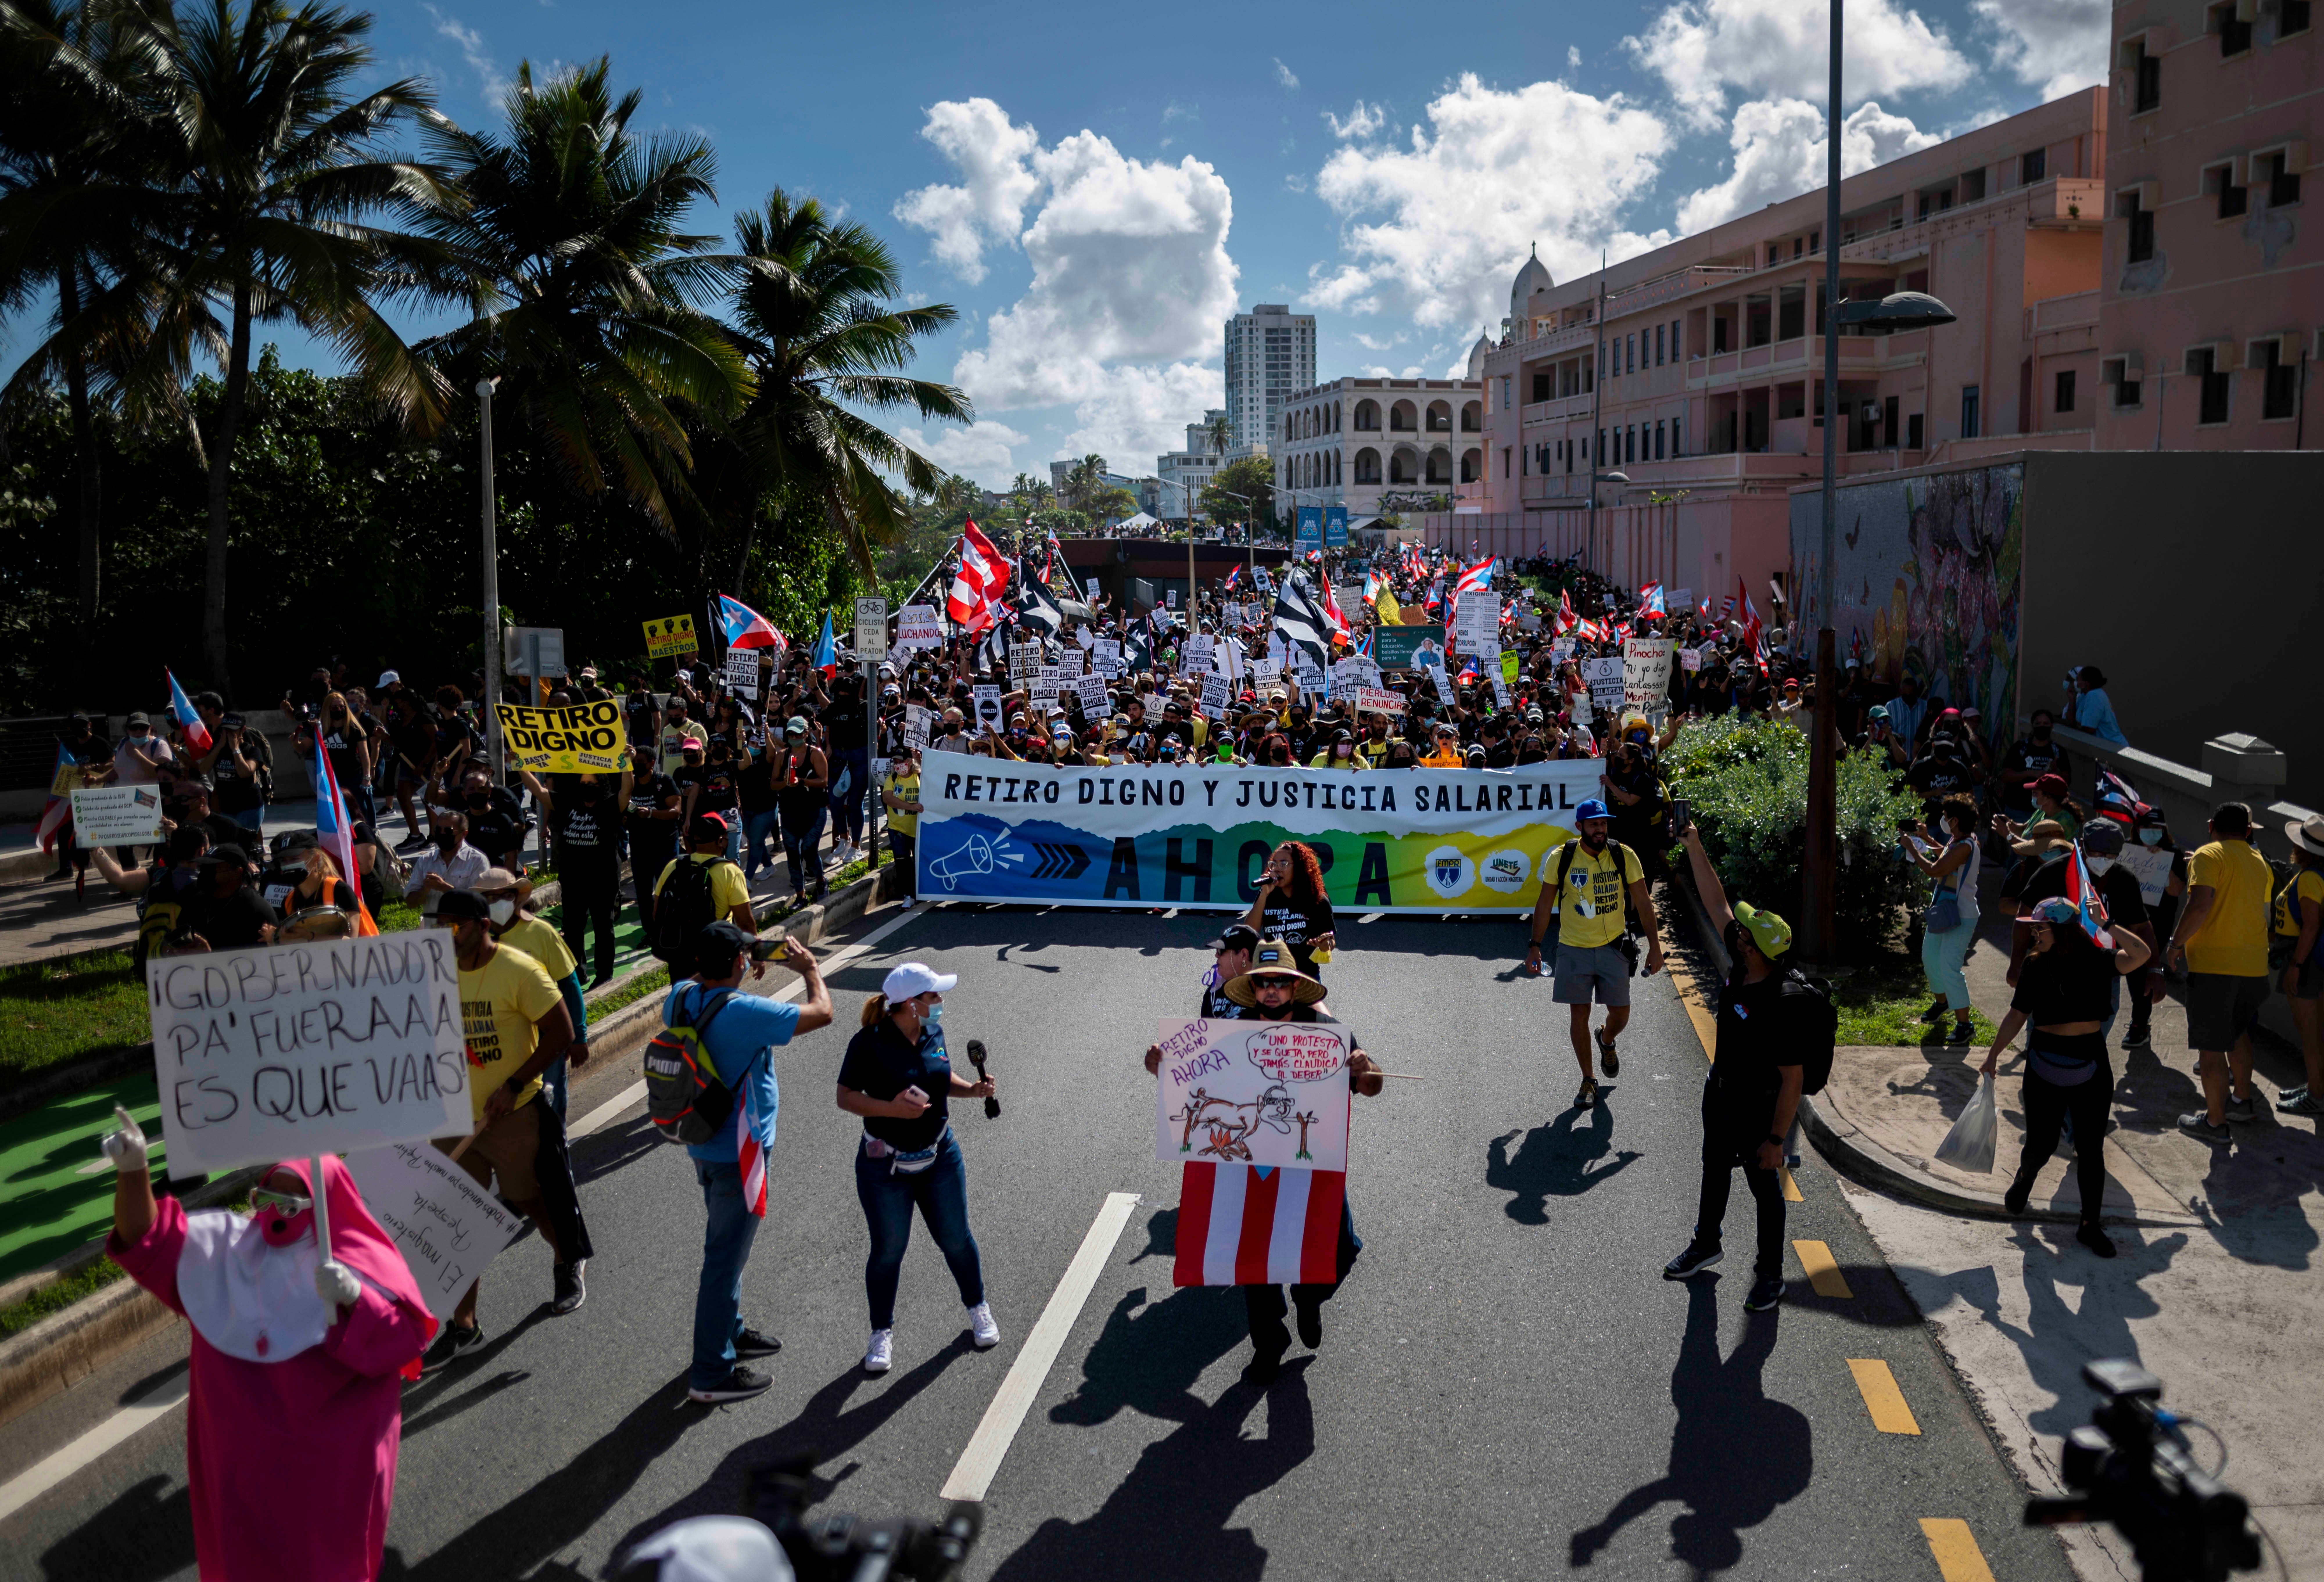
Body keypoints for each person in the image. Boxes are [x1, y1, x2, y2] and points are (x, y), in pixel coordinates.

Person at [98, 1125, 433, 1582]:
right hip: (242, 1476)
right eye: (265, 1198)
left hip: (326, 1482)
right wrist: (133, 1170)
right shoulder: (225, 1251)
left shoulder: (357, 1260)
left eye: (291, 1204)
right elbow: (145, 1241)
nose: (275, 1213)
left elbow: (406, 1338)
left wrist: (357, 1298)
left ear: (324, 1205)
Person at [1143, 939, 1384, 1382]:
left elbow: (1372, 1085)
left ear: (1296, 987)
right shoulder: (1230, 1033)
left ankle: (1310, 1297)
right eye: (1262, 983)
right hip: (1251, 1166)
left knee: (1343, 1248)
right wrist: (1157, 1061)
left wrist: (1365, 1068)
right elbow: (1180, 1077)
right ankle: (1269, 1344)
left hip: (1311, 1167)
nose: (1271, 990)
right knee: (1255, 1256)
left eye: (1280, 982)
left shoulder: (1327, 1034)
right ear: (1252, 989)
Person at [664, 921, 832, 1403]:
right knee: (724, 1259)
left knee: (730, 1246)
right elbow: (823, 1012)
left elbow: (711, 982)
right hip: (742, 1150)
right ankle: (711, 1374)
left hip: (702, 1139)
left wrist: (740, 960)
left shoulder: (679, 996)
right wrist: (810, 968)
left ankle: (731, 1330)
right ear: (739, 961)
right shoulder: (745, 1013)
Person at [425, 889, 588, 1368]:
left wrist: (514, 1085)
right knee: (458, 1215)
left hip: (512, 1113)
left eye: (455, 926)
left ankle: (566, 1259)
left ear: (482, 924)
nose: (446, 935)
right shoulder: (435, 969)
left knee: (527, 1197)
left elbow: (560, 1033)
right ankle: (464, 1326)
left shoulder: (520, 971)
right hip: (454, 1118)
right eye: (440, 926)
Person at [1663, 825, 1806, 1312]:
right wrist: (1695, 845)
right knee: (1714, 1166)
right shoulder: (1745, 963)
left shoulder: (1781, 1004)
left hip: (1759, 1105)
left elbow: (1793, 1079)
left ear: (1752, 946)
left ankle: (1771, 1276)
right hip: (1720, 1090)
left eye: (1742, 931)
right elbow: (1716, 901)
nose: (1735, 929)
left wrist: (1776, 1140)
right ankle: (1707, 1243)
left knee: (1765, 1186)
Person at [837, 962, 998, 1375]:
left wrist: (973, 1090)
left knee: (957, 1239)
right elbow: (846, 1096)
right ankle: (881, 1332)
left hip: (940, 1155)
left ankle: (978, 1308)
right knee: (889, 1250)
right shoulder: (868, 1043)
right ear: (911, 1003)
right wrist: (890, 1109)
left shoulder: (933, 1032)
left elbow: (941, 1079)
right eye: (934, 996)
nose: (941, 1002)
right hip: (884, 1165)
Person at [1982, 896, 2153, 1256]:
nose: (2033, 933)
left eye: (2039, 927)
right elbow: (2017, 1015)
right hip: (2044, 1062)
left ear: (2060, 929)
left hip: (2090, 1064)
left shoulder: (2097, 958)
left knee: (2090, 1149)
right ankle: (2025, 1178)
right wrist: (1993, 1053)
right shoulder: (2034, 965)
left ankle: (2090, 1225)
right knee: (2041, 1145)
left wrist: (2105, 925)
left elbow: (2140, 954)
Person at [1524, 799, 1664, 1110]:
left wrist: (1655, 946)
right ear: (1580, 827)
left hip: (1614, 946)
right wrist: (1534, 944)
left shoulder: (1622, 855)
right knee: (1579, 1013)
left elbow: (1642, 901)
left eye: (1603, 823)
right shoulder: (1561, 858)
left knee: (1621, 1013)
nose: (1599, 829)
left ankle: (1607, 1039)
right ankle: (1588, 1079)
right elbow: (1545, 903)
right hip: (1573, 948)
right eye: (1593, 824)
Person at [2169, 803, 2274, 1142]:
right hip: (2254, 967)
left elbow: (2199, 905)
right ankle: (2241, 1102)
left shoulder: (2207, 854)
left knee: (2211, 1049)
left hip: (2215, 968)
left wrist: (2174, 945)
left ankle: (2215, 1123)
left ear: (2210, 824)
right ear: (2247, 832)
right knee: (2238, 1033)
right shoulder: (2260, 862)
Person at [474, 867, 587, 1121]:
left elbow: (569, 985)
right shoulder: (476, 940)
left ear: (515, 897)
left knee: (550, 1115)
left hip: (545, 1044)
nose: (496, 904)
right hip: (498, 1047)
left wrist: (579, 1036)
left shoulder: (541, 933)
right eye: (488, 898)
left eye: (502, 897)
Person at [528, 764, 631, 987]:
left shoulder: (609, 806)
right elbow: (539, 791)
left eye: (592, 784)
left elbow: (626, 792)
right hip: (573, 880)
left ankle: (605, 975)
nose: (587, 788)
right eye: (584, 784)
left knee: (604, 927)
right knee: (573, 928)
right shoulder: (568, 804)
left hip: (602, 880)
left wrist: (627, 764)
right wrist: (520, 767)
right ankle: (578, 972)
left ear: (601, 785)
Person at [1900, 795, 1982, 1044]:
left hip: (1962, 915)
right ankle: (1942, 1003)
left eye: (1946, 817)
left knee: (1949, 966)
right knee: (1930, 958)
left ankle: (1965, 1025)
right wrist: (1926, 838)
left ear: (1955, 821)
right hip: (1944, 911)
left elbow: (1937, 869)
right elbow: (1945, 853)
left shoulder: (1966, 846)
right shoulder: (1959, 841)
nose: (1943, 820)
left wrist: (1912, 847)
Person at [2275, 816, 2324, 1120]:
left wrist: (2295, 965)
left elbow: (2310, 926)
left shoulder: (2308, 879)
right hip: (2316, 960)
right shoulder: (2317, 875)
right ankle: (2315, 1087)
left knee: (2310, 1035)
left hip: (2306, 961)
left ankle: (2316, 1097)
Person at [1242, 841, 1336, 980]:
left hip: (1306, 976)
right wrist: (1264, 894)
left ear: (1299, 868)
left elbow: (1331, 941)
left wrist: (1325, 946)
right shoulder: (1268, 895)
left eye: (1284, 864)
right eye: (1274, 865)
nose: (1277, 869)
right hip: (1273, 974)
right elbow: (1249, 932)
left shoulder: (1318, 900)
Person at [626, 745, 684, 938]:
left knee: (668, 889)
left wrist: (651, 813)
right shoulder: (630, 783)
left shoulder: (664, 781)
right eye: (634, 763)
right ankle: (651, 932)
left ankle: (670, 928)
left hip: (665, 847)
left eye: (640, 763)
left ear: (652, 763)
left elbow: (676, 811)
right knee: (643, 893)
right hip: (640, 848)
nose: (636, 766)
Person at [774, 716, 831, 902]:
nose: (793, 736)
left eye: (797, 733)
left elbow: (824, 781)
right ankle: (800, 895)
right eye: (790, 733)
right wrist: (785, 783)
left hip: (814, 810)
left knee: (809, 850)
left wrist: (802, 782)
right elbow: (773, 785)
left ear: (806, 734)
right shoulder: (782, 755)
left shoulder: (815, 754)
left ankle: (821, 881)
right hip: (790, 812)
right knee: (792, 853)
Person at [405, 809, 488, 919]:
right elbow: (411, 903)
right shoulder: (425, 860)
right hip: (434, 929)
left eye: (449, 831)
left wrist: (445, 888)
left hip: (465, 929)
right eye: (438, 830)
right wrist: (425, 889)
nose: (442, 834)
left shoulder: (477, 861)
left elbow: (480, 904)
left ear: (464, 834)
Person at [1998, 709, 2070, 826]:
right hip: (2019, 809)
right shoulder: (2020, 748)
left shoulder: (2058, 751)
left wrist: (2055, 773)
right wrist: (2030, 773)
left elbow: (2067, 782)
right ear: (2033, 726)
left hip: (2048, 813)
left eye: (2046, 724)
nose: (2042, 727)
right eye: (2038, 724)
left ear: (2052, 726)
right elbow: (2005, 776)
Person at [881, 744, 922, 906]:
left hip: (919, 830)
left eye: (901, 761)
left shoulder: (920, 777)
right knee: (902, 863)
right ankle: (909, 895)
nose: (898, 765)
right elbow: (888, 799)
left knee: (920, 862)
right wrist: (911, 807)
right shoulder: (892, 779)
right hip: (898, 830)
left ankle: (922, 891)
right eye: (895, 761)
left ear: (910, 761)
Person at [2065, 664, 2126, 746]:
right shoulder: (2084, 695)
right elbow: (2071, 722)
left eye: (2077, 680)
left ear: (2086, 683)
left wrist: (2078, 727)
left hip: (2114, 747)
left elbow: (2088, 730)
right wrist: (2072, 699)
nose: (2074, 683)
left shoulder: (2095, 696)